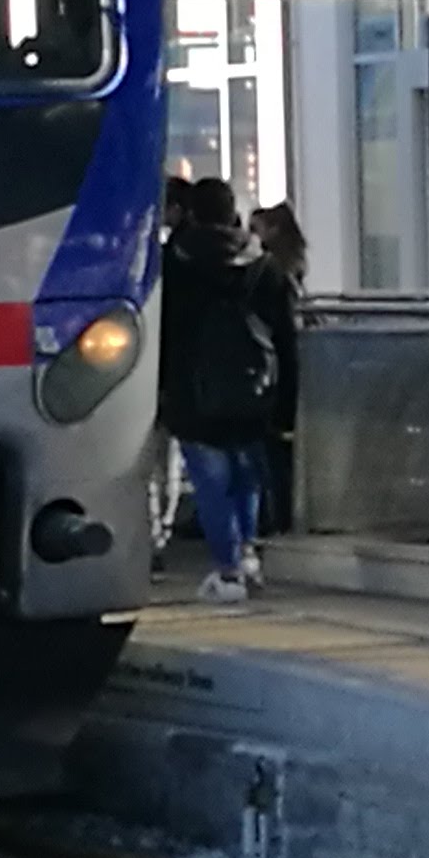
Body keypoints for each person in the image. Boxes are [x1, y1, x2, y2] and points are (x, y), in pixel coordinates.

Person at [155, 179, 292, 606]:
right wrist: (286, 404)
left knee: (211, 480)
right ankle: (247, 554)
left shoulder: (173, 263)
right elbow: (286, 337)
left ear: (193, 212)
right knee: (245, 475)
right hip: (253, 387)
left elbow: (162, 330)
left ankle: (228, 569)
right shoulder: (265, 264)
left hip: (192, 388)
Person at [250, 201, 312, 538]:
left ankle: (275, 516)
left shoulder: (270, 272)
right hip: (283, 373)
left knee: (271, 452)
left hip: (273, 376)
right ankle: (279, 515)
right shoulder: (290, 268)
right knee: (278, 450)